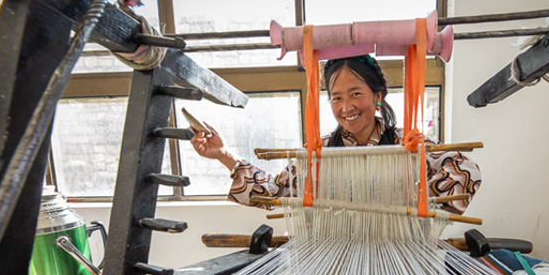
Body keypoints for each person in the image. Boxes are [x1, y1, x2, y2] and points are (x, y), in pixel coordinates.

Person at [191, 55, 482, 214]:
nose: (346, 107)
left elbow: (466, 170)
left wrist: (417, 199)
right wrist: (223, 155)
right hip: (334, 264)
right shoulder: (320, 151)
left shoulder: (408, 145)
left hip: (399, 259)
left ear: (377, 96)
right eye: (336, 98)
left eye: (356, 94)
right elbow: (276, 192)